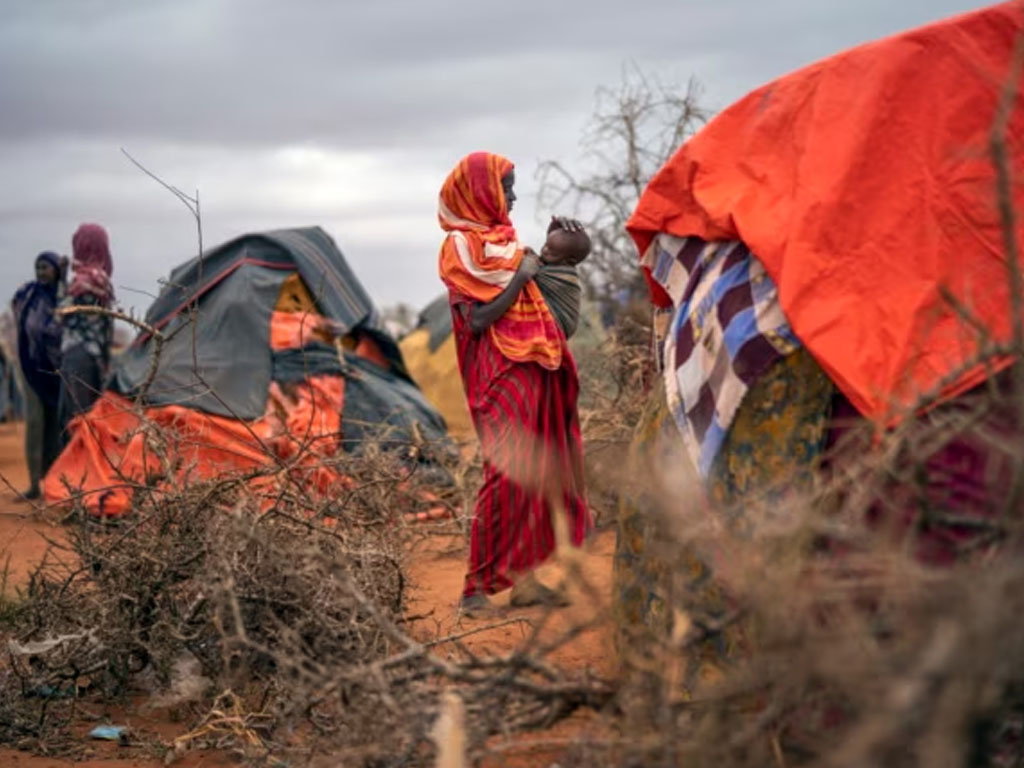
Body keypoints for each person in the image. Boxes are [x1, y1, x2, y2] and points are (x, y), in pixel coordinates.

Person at [437, 152, 592, 614]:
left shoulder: (507, 244)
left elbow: (547, 304)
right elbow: (480, 319)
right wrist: (519, 278)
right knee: (505, 475)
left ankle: (525, 581)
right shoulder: (460, 248)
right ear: (482, 191)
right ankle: (474, 588)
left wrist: (556, 250)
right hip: (498, 375)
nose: (514, 196)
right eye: (507, 188)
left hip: (534, 370)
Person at [11, 251, 66, 499]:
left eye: (46, 267)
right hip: (31, 367)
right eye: (38, 267)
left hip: (57, 373)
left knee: (55, 426)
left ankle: (52, 483)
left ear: (56, 269)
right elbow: (20, 318)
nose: (41, 272)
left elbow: (63, 326)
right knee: (35, 423)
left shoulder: (63, 297)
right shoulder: (28, 295)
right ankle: (34, 484)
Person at [57, 223, 114, 439]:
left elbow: (62, 312)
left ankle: (74, 471)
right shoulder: (102, 280)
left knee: (74, 421)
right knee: (88, 418)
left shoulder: (83, 281)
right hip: (95, 359)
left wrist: (61, 280)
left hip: (76, 358)